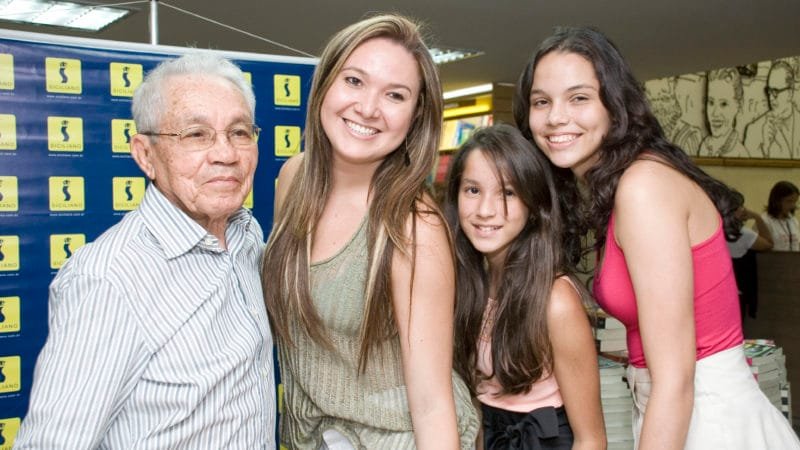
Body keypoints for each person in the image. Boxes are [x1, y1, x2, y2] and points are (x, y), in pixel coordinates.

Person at [513, 26, 800, 450]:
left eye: (579, 98)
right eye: (542, 101)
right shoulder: (621, 186)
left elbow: (676, 379)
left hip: (708, 420)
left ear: (615, 104)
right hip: (681, 411)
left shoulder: (643, 186)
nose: (556, 117)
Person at [15, 53, 275, 448]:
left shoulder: (245, 235)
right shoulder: (108, 280)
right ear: (145, 155)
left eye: (240, 132)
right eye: (195, 134)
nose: (226, 154)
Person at [261, 14, 479, 449]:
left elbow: (433, 403)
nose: (367, 108)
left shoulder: (412, 225)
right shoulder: (292, 179)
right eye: (355, 81)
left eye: (394, 95)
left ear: (416, 116)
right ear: (324, 84)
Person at [443, 124, 606, 449]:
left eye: (507, 193)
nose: (485, 210)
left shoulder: (555, 300)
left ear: (533, 206)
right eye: (472, 190)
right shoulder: (469, 284)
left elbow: (592, 440)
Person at [727, 190, 773, 319]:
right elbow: (768, 243)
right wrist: (758, 217)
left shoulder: (712, 229)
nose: (744, 209)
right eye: (740, 206)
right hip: (737, 291)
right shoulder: (742, 234)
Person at [743, 60, 800, 159]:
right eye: (769, 91)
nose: (771, 97)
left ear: (790, 93)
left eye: (776, 91)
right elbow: (748, 171)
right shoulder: (753, 130)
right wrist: (765, 148)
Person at [699, 68, 748, 157]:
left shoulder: (740, 154)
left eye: (723, 104)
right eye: (711, 102)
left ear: (738, 106)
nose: (715, 113)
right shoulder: (704, 147)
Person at [761, 180, 800, 251]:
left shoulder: (793, 220)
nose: (793, 206)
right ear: (777, 201)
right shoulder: (765, 220)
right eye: (789, 201)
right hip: (774, 261)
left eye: (795, 201)